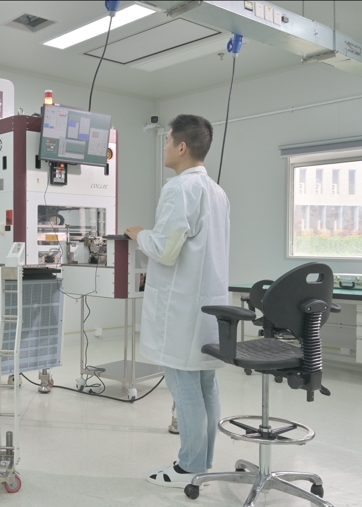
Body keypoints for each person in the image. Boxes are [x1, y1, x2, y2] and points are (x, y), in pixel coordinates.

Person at [125, 114, 230, 488]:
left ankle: (189, 467)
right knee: (206, 386)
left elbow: (166, 251)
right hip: (208, 307)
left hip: (182, 308)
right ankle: (205, 461)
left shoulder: (179, 189)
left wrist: (139, 235)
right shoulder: (216, 192)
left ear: (181, 146)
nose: (165, 148)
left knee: (185, 387)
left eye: (167, 141)